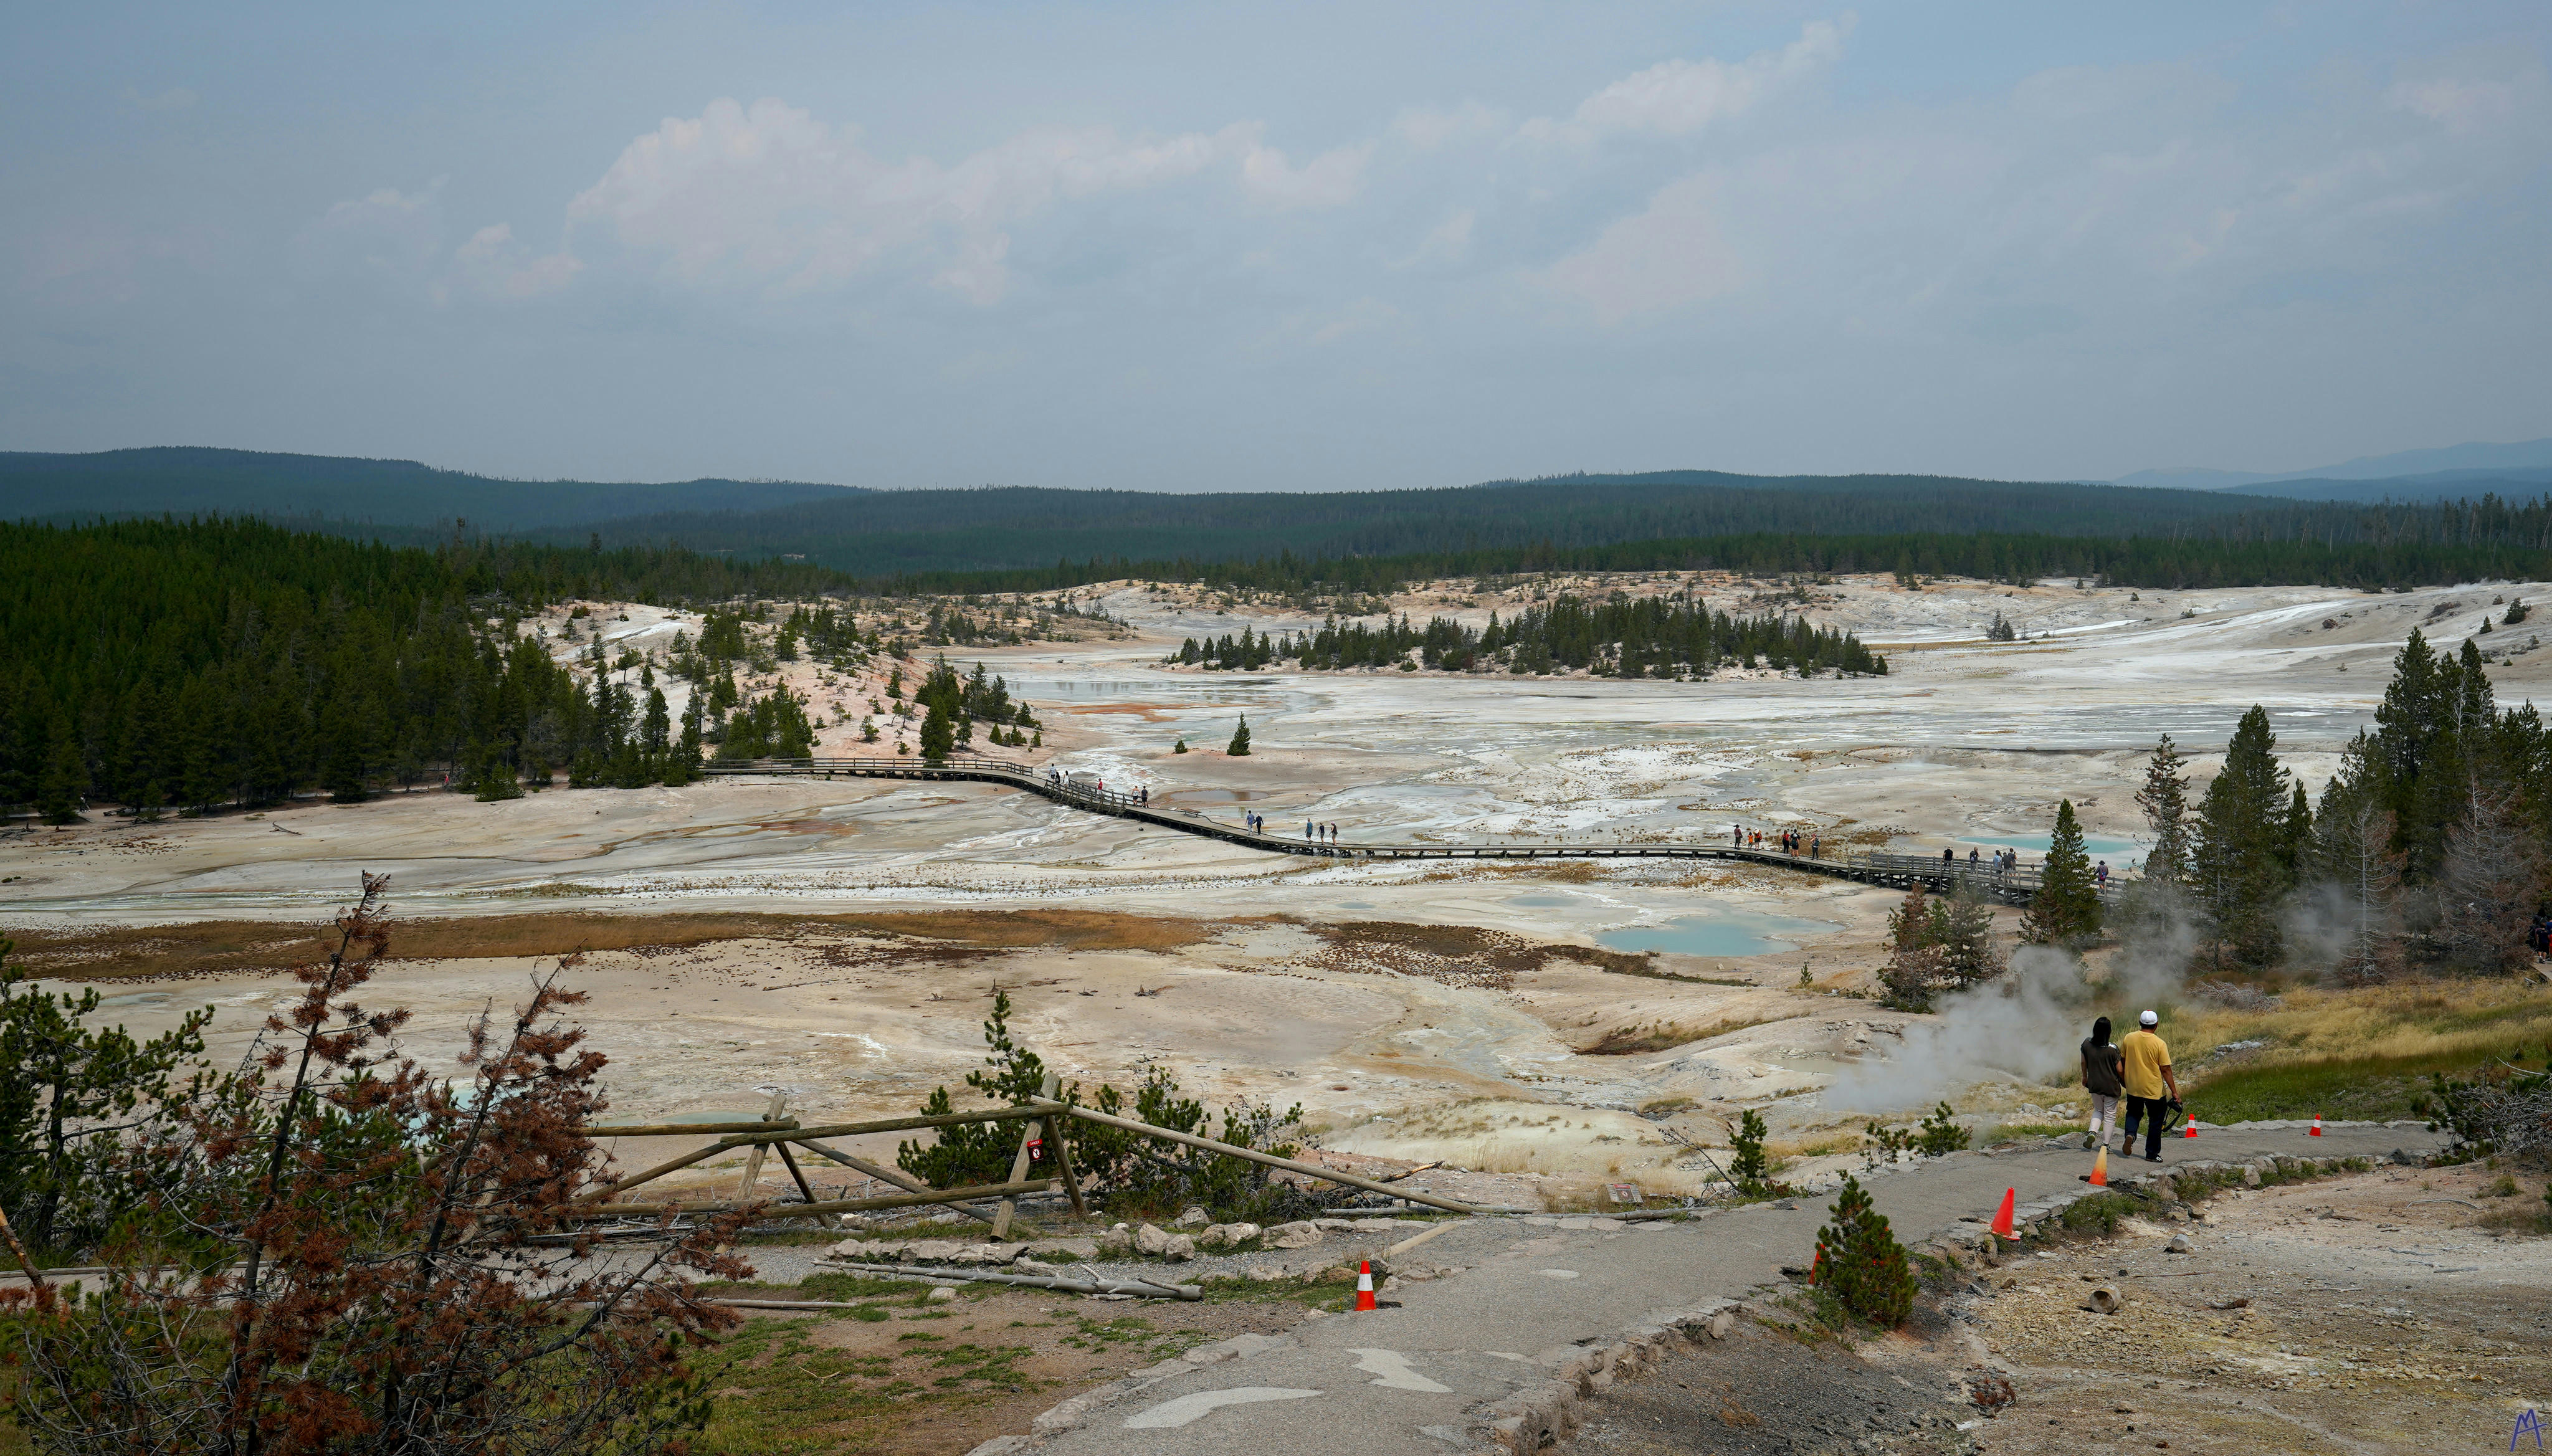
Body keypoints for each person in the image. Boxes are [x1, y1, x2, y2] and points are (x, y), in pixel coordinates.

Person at [2116, 1011, 2181, 1162]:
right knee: (2156, 1120)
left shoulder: (2129, 1038)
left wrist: (2124, 1078)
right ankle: (2151, 1154)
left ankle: (2130, 1135)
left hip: (2133, 1086)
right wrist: (2175, 1092)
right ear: (2156, 1025)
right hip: (2154, 1090)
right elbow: (2165, 1069)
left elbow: (2122, 1060)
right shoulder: (2159, 1043)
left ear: (2140, 1023)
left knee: (2133, 1113)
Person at [2080, 1016, 2125, 1151]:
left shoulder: (2086, 1044)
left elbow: (2083, 1062)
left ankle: (2092, 1132)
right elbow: (2120, 1070)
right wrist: (2124, 1082)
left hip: (2094, 1085)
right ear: (2109, 1031)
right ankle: (2105, 1145)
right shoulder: (2112, 1049)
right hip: (2111, 1086)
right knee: (2110, 1115)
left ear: (2095, 1029)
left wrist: (2084, 1077)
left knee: (2098, 1110)